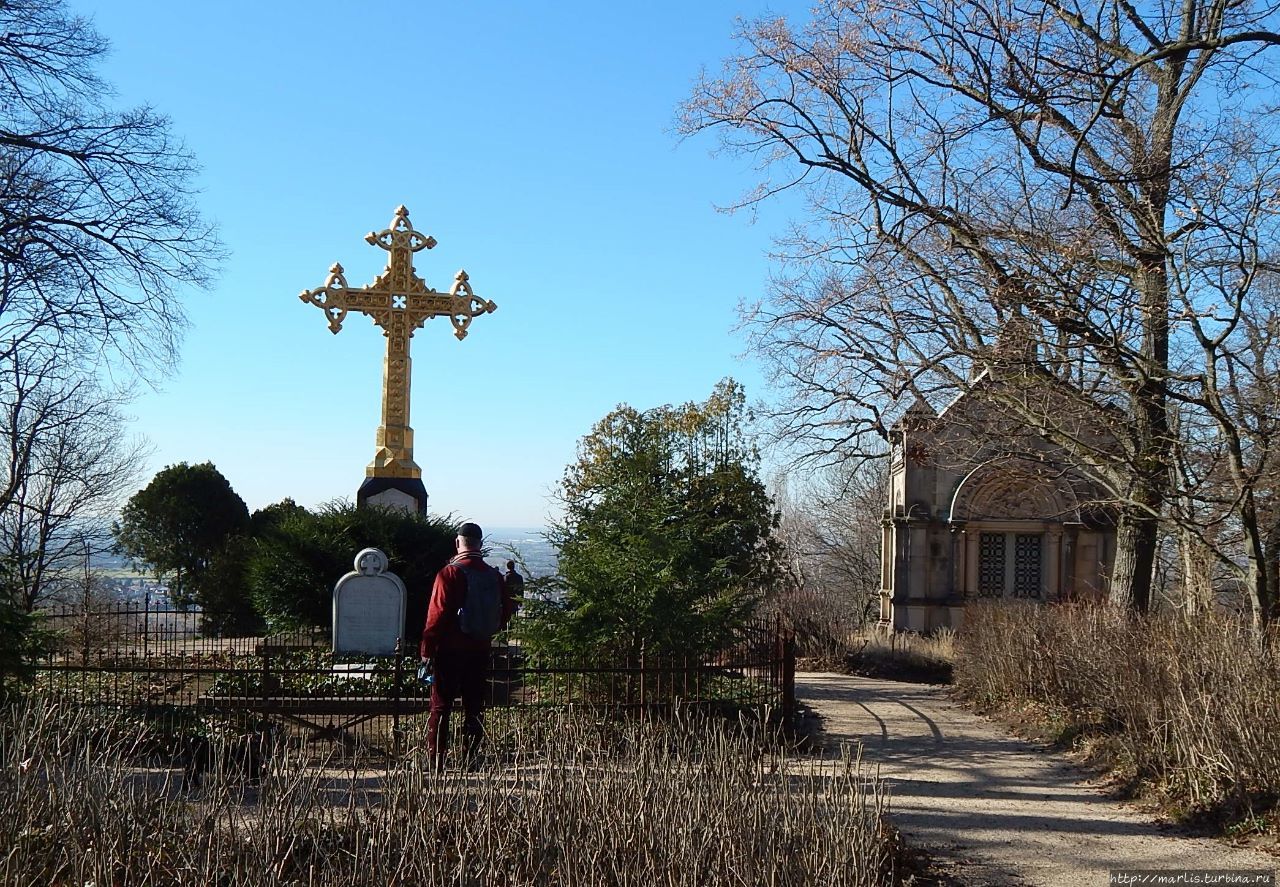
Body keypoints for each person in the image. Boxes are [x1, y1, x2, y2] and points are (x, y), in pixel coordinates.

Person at [419, 522, 514, 770]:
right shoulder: (493, 575)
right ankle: (470, 759)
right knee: (474, 706)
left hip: (450, 649)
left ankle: (436, 760)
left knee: (441, 706)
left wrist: (427, 650)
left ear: (458, 542)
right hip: (480, 648)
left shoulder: (449, 573)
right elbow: (506, 610)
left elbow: (436, 616)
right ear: (480, 544)